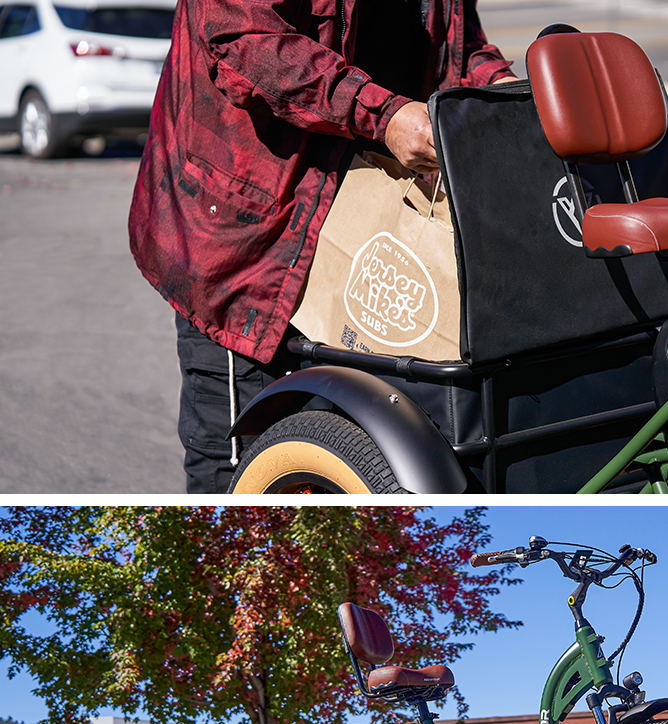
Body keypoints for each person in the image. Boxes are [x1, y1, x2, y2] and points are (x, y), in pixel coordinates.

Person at [128, 0, 515, 493]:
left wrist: (502, 92)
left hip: (365, 221)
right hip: (253, 239)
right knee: (239, 462)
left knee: (354, 451)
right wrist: (385, 115)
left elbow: (458, 50)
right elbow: (245, 38)